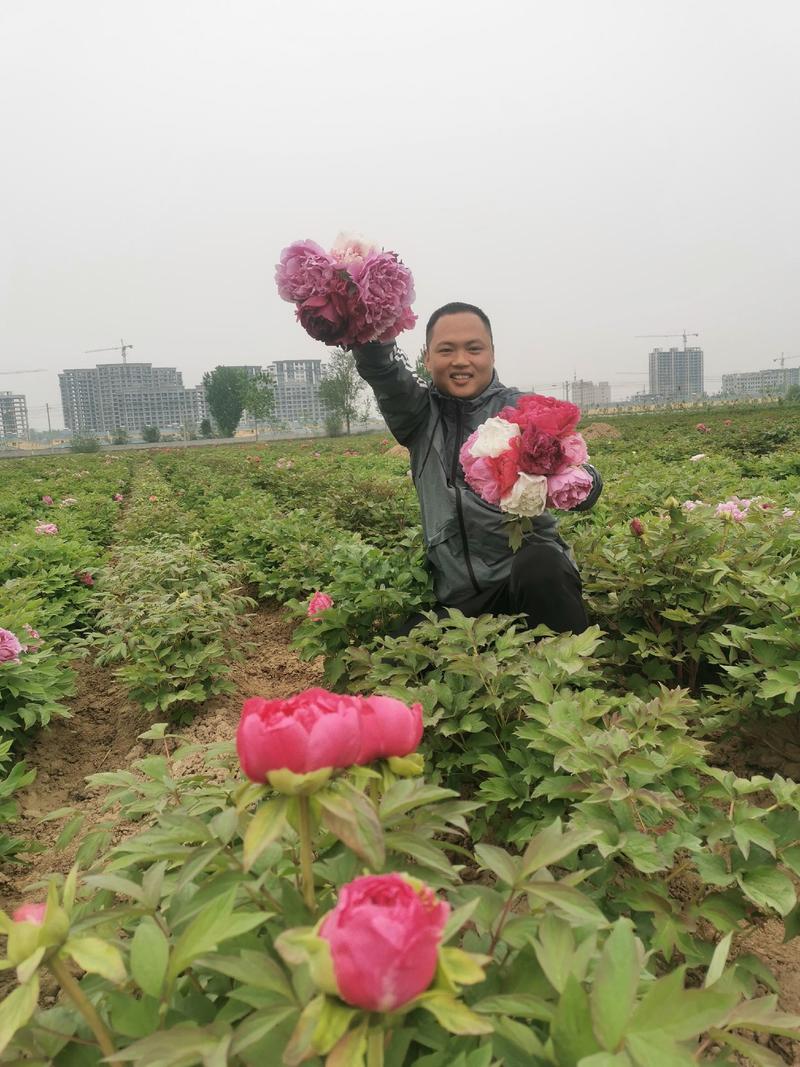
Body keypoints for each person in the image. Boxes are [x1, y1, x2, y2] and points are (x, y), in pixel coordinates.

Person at [352, 302, 603, 634]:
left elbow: (581, 472)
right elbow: (385, 373)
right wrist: (366, 322)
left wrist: (580, 482)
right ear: (427, 357)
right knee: (396, 652)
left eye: (474, 349)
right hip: (462, 604)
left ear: (492, 354)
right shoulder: (418, 417)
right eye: (446, 350)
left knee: (542, 564)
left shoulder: (523, 410)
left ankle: (568, 673)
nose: (460, 361)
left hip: (525, 585)